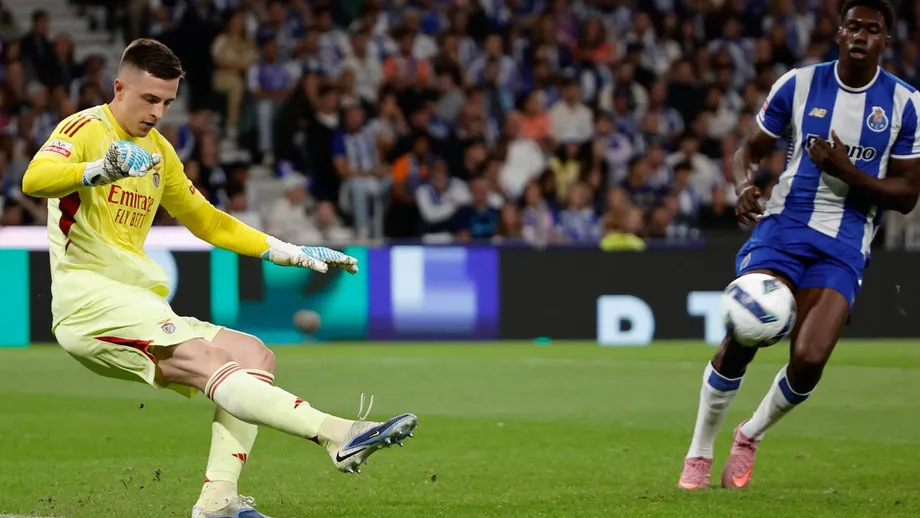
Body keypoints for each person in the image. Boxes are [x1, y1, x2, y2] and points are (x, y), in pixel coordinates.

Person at [20, 39, 418, 518]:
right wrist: (98, 170)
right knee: (210, 360)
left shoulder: (160, 152)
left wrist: (286, 251)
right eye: (149, 99)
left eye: (167, 102)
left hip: (137, 300)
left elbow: (208, 221)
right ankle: (338, 434)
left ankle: (218, 501)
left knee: (253, 354)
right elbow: (34, 179)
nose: (157, 112)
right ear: (119, 87)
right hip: (88, 299)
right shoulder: (85, 128)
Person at [677, 0, 920, 490]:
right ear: (838, 33)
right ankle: (699, 453)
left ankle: (750, 434)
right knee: (743, 335)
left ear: (886, 41)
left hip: (844, 244)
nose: (860, 36)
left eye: (872, 29)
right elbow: (748, 150)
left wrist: (849, 172)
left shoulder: (905, 103)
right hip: (783, 229)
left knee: (809, 360)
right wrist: (743, 185)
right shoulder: (798, 84)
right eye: (852, 26)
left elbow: (907, 195)